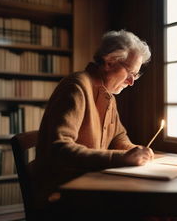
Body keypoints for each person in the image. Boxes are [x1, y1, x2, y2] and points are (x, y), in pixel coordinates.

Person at [33, 29, 154, 211]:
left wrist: (134, 151)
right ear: (109, 62)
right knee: (145, 209)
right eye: (130, 72)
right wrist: (120, 158)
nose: (131, 82)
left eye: (135, 75)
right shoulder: (76, 87)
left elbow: (118, 136)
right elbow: (59, 149)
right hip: (63, 196)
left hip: (90, 185)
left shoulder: (108, 94)